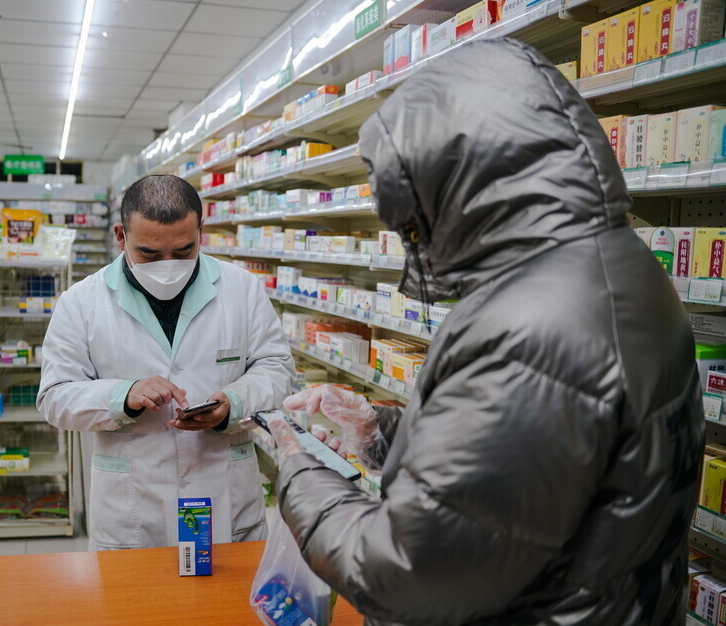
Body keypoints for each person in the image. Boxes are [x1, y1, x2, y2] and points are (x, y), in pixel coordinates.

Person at [268, 38, 704, 625]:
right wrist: (380, 430)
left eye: (416, 213)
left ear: (461, 184)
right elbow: (516, 480)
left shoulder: (540, 325)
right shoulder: (603, 268)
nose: (410, 233)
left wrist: (299, 469)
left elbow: (410, 572)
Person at [38, 174, 294, 550]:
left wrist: (232, 404)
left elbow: (277, 368)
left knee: (226, 607)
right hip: (133, 509)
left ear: (201, 232)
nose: (168, 265)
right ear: (120, 236)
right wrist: (121, 396)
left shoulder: (242, 288)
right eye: (150, 254)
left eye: (183, 250)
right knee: (137, 607)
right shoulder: (81, 301)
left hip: (224, 493)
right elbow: (55, 398)